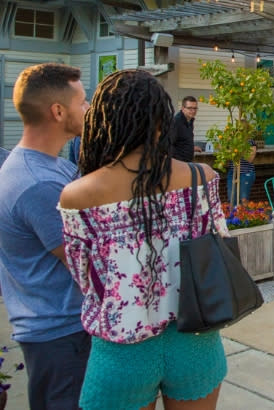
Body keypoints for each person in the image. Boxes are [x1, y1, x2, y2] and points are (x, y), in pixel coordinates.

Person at [59, 69, 228, 409]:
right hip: (196, 338)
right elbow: (219, 245)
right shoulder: (201, 177)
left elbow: (83, 277)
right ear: (161, 121)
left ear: (104, 121)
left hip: (123, 347)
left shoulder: (79, 195)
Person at [0, 63, 90, 409]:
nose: (87, 109)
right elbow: (84, 260)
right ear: (57, 111)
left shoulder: (52, 167)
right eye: (82, 102)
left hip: (57, 329)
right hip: (60, 333)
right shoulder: (39, 184)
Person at [226, 139, 257, 204]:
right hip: (233, 172)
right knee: (231, 199)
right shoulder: (232, 141)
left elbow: (250, 159)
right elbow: (227, 158)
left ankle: (244, 214)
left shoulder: (250, 142)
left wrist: (240, 150)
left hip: (246, 173)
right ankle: (233, 214)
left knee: (244, 199)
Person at [171, 95, 202, 162]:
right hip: (178, 163)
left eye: (195, 108)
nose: (193, 111)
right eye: (190, 108)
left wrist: (192, 148)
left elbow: (182, 141)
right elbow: (169, 145)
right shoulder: (176, 122)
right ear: (183, 108)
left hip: (187, 162)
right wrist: (179, 161)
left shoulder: (190, 121)